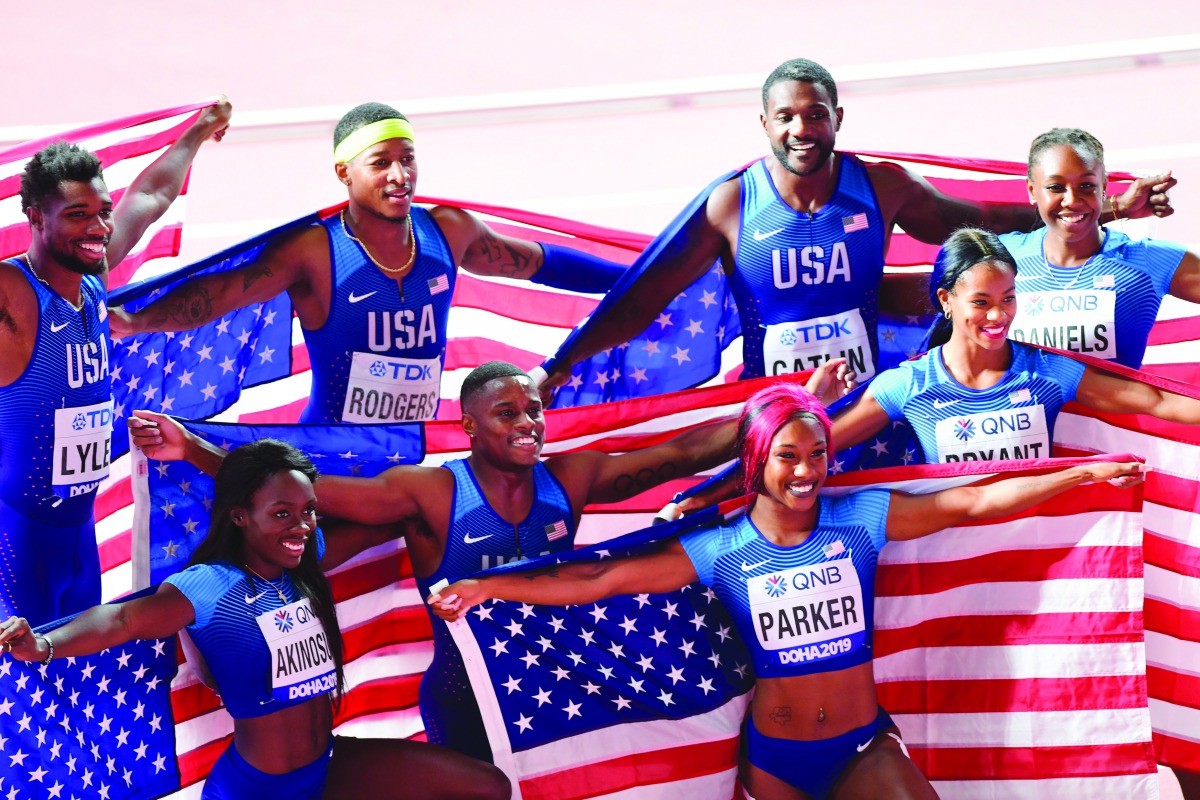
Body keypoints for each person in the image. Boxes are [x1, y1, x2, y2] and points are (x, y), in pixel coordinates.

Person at [427, 382, 1147, 800]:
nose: (805, 471)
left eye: (817, 455)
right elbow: (599, 579)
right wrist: (490, 590)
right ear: (757, 460)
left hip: (862, 745)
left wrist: (1081, 476)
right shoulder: (722, 549)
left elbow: (974, 505)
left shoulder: (861, 518)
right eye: (788, 456)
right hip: (774, 762)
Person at [126, 360, 855, 762]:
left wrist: (785, 406)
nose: (529, 425)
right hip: (464, 691)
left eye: (534, 411)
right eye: (509, 414)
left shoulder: (567, 479)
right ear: (470, 426)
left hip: (553, 680)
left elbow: (676, 456)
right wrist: (196, 451)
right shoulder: (432, 493)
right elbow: (307, 489)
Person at [536, 58, 1174, 397]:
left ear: (837, 118)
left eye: (814, 115)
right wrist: (560, 364)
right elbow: (648, 292)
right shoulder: (732, 204)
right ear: (764, 124)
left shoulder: (880, 187)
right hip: (775, 411)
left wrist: (1109, 208)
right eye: (786, 116)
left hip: (868, 397)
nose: (800, 129)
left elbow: (977, 222)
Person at [0, 438, 511, 800]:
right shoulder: (211, 582)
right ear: (241, 516)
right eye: (282, 514)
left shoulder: (305, 561)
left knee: (488, 787)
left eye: (309, 511)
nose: (302, 526)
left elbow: (399, 515)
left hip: (329, 767)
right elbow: (122, 621)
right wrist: (43, 646)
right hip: (258, 788)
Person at [109, 102, 626, 425]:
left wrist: (637, 277)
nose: (400, 175)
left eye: (408, 159)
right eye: (381, 163)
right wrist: (136, 321)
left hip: (412, 448)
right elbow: (223, 294)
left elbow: (538, 263)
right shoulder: (314, 250)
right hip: (331, 456)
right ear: (344, 172)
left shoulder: (448, 230)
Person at [0, 99, 232, 625]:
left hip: (79, 538)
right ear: (35, 218)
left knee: (78, 687)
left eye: (102, 211)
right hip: (19, 540)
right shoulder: (12, 292)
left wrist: (196, 133)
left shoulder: (92, 276)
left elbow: (150, 195)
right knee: (23, 694)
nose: (99, 227)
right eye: (77, 215)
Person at [828, 228, 1200, 464]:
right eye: (980, 302)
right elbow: (811, 447)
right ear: (946, 299)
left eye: (1007, 299)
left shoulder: (1048, 371)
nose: (998, 316)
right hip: (953, 576)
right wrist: (820, 405)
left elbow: (1156, 400)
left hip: (1036, 567)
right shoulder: (909, 385)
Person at [1002, 127, 1200, 368]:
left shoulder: (1147, 261)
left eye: (1086, 186)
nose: (1072, 200)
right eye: (1055, 187)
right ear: (1032, 190)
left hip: (1116, 405)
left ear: (1104, 186)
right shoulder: (1001, 257)